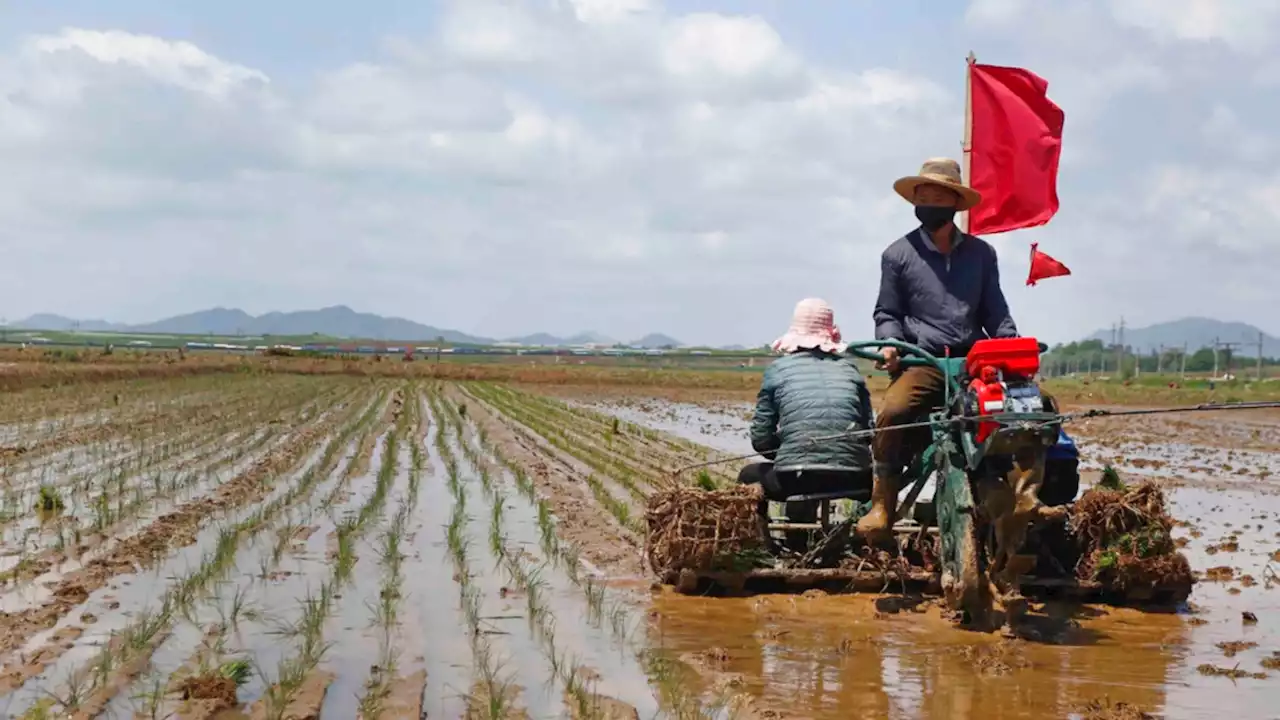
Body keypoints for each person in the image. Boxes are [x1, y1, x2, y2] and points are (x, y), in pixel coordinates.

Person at [860, 157, 1018, 540]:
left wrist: (1011, 346)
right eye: (921, 195)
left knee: (1030, 409)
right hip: (923, 361)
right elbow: (887, 311)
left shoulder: (982, 255)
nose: (926, 201)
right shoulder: (897, 254)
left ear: (952, 202)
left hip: (973, 361)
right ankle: (883, 503)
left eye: (934, 194)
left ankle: (1019, 494)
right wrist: (890, 345)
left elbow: (995, 310)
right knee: (893, 412)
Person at [738, 298, 874, 553]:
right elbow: (868, 431)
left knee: (748, 476)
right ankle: (861, 541)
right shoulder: (850, 370)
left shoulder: (778, 370)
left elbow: (761, 438)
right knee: (880, 480)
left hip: (797, 478)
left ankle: (764, 547)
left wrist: (789, 451)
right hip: (852, 476)